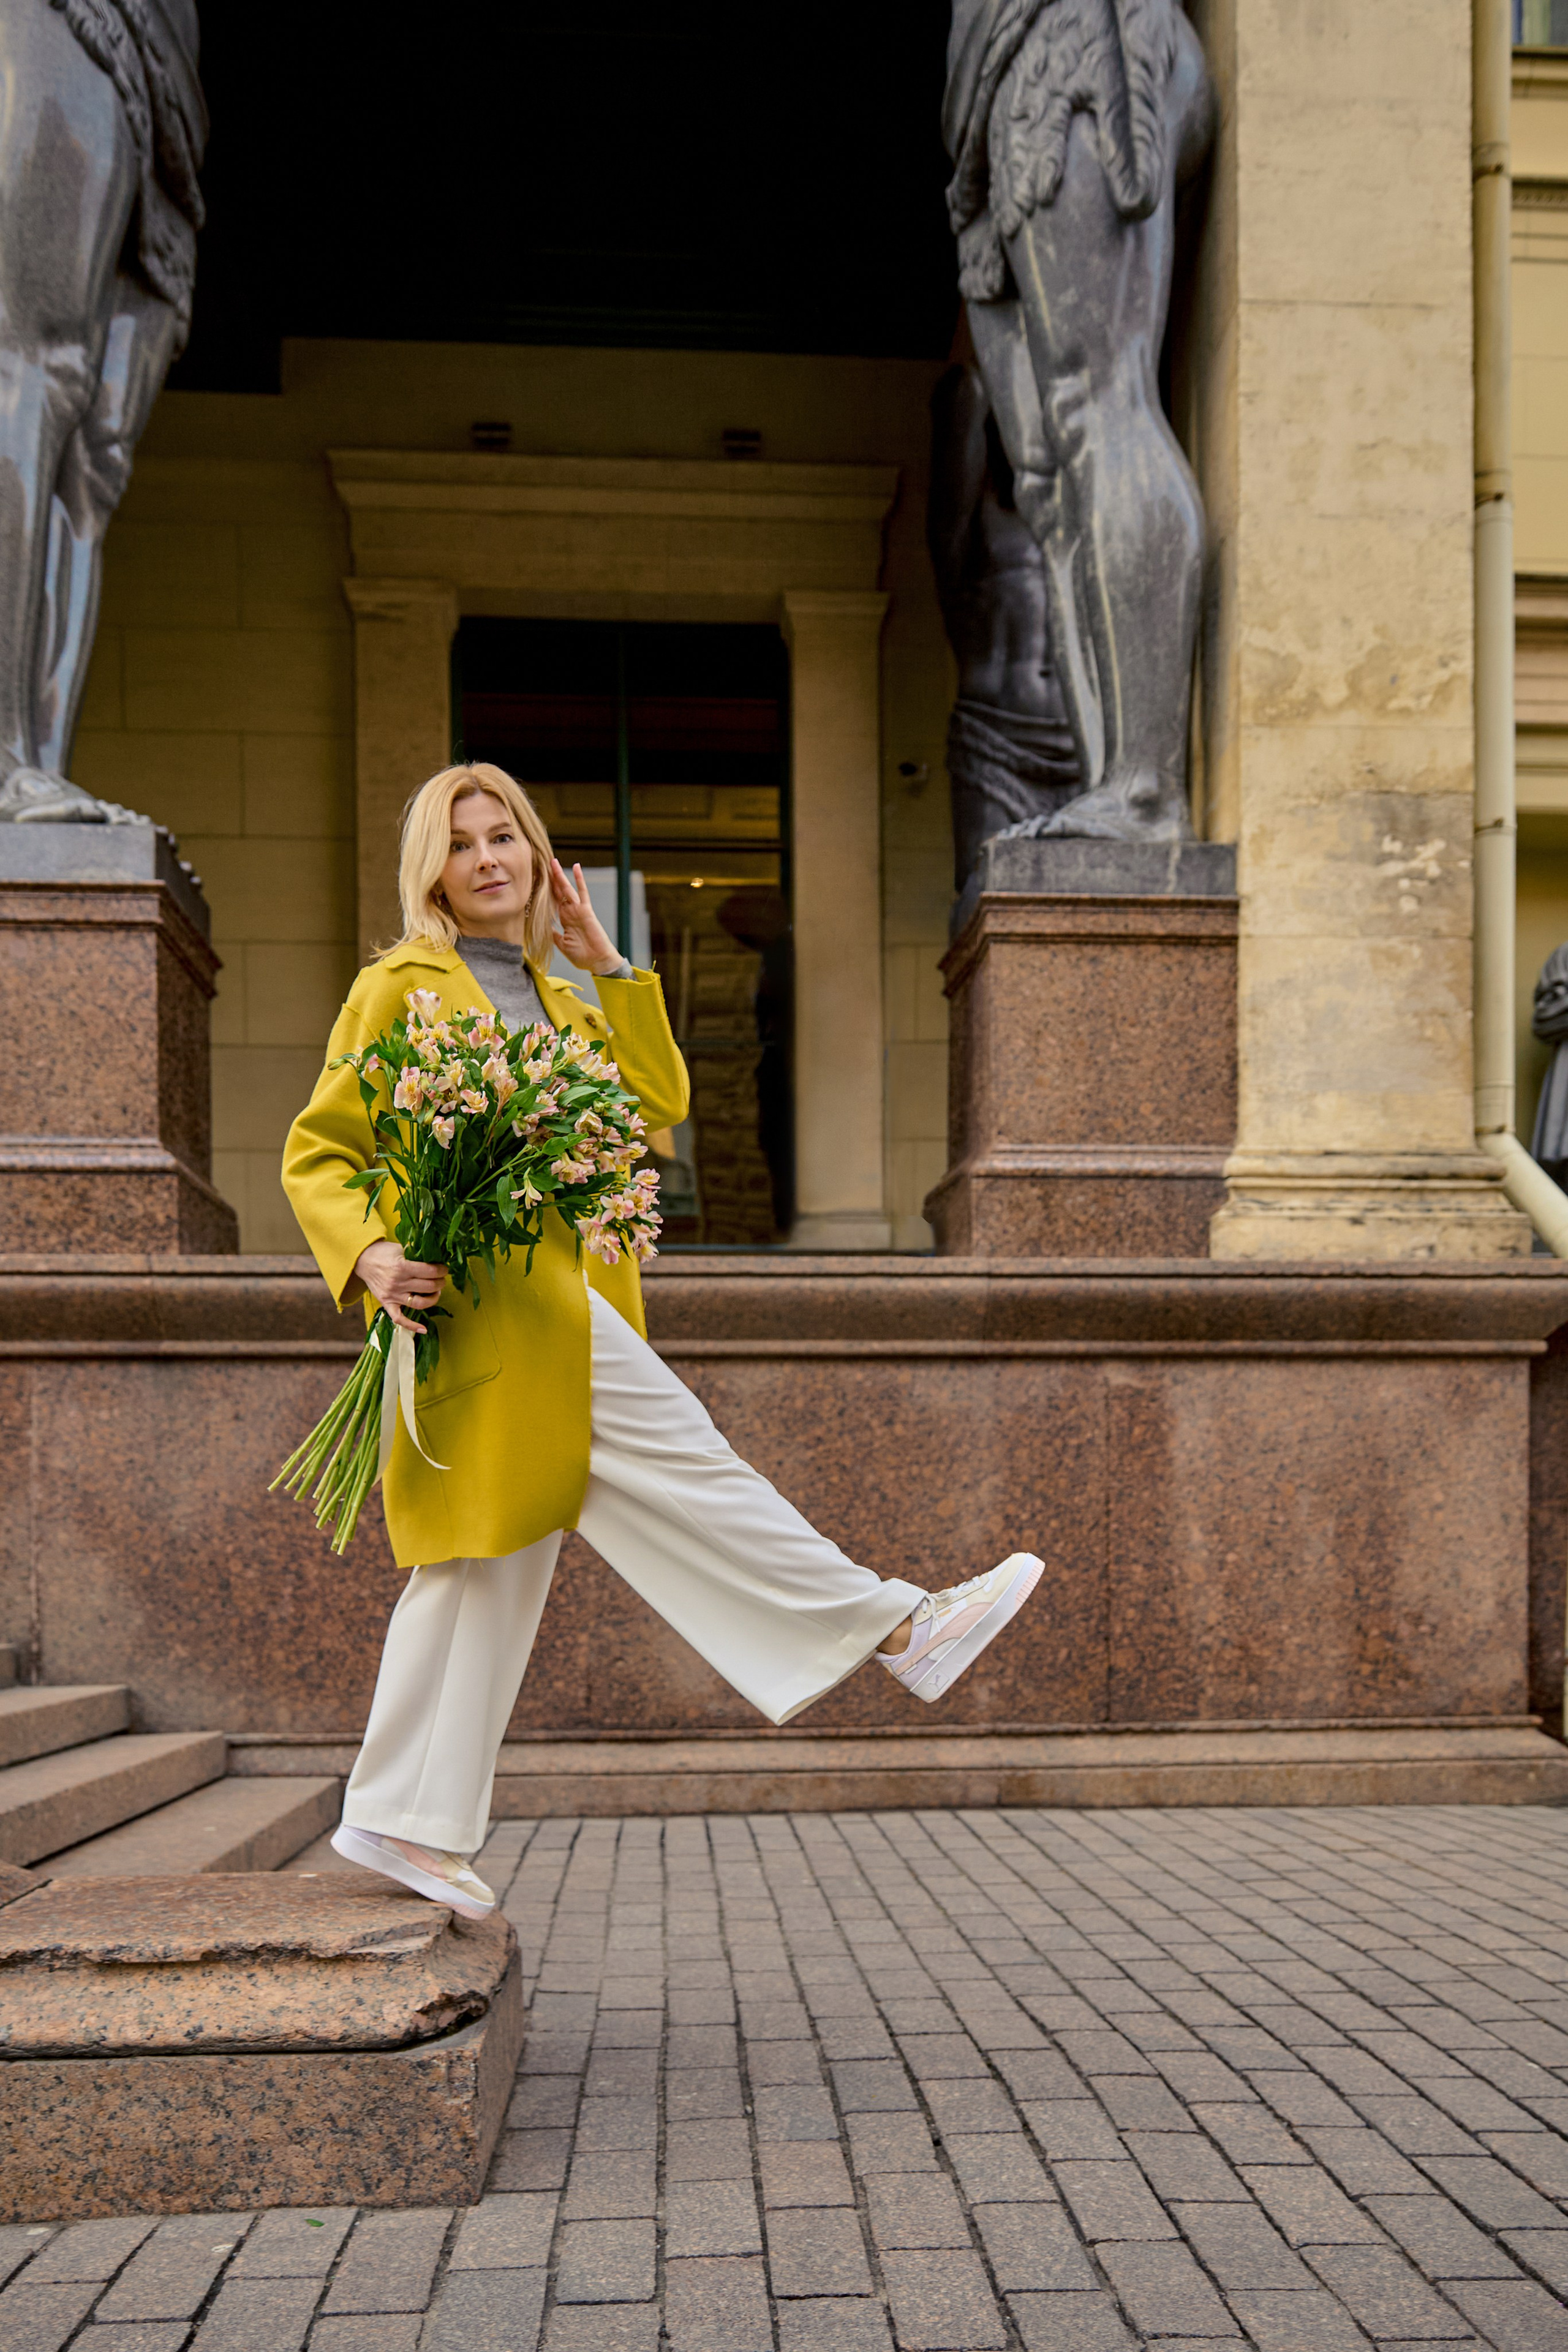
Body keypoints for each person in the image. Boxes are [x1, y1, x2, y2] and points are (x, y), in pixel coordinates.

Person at [282, 763, 1042, 1922]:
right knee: (683, 1472)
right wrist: (373, 1255)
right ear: (428, 868)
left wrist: (608, 964)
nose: (488, 859)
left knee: (482, 1573)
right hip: (487, 1307)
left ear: (539, 855)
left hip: (562, 1306)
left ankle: (399, 1820)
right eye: (461, 842)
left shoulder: (567, 988)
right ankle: (900, 1624)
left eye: (508, 838)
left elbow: (656, 1103)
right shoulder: (399, 989)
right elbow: (323, 1151)